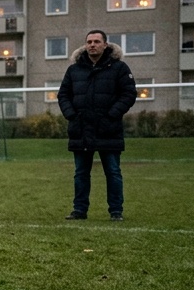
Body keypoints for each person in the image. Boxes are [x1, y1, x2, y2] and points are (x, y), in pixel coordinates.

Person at [57, 29, 137, 222]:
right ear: (85, 45)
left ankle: (116, 211)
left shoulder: (119, 68)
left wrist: (111, 115)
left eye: (96, 41)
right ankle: (79, 210)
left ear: (105, 45)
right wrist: (72, 115)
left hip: (108, 130)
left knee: (113, 171)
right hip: (81, 130)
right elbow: (63, 95)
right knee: (81, 173)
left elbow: (128, 94)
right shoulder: (74, 70)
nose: (92, 45)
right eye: (89, 42)